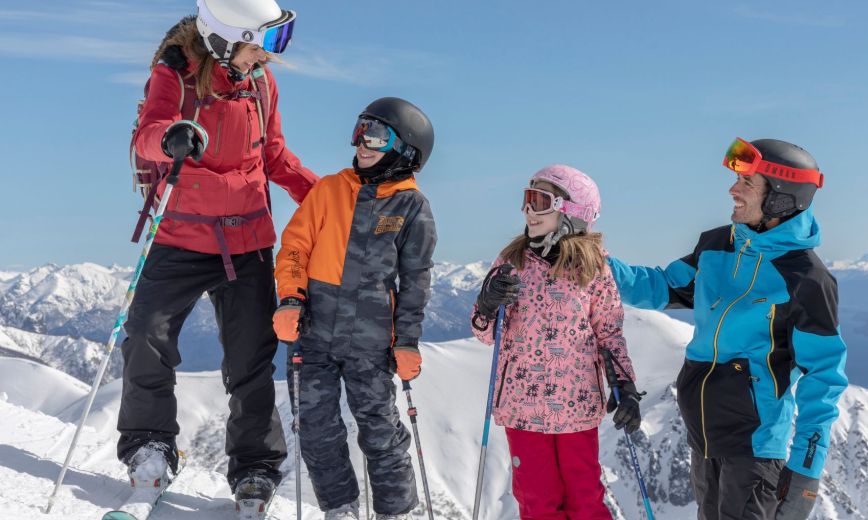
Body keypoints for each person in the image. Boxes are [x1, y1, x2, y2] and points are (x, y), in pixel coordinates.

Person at [116, 0, 317, 509]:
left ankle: (254, 468)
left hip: (246, 241)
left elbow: (273, 156)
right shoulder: (176, 74)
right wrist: (172, 137)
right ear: (226, 38)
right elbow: (147, 138)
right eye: (261, 43)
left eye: (275, 43)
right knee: (145, 336)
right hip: (179, 235)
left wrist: (324, 198)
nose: (267, 55)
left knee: (250, 358)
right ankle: (150, 446)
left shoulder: (262, 85)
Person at [606, 138, 847, 520]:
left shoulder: (805, 279)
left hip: (754, 452)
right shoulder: (717, 245)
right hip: (704, 440)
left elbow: (824, 377)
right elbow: (658, 287)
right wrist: (595, 263)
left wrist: (805, 473)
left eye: (747, 184)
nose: (732, 190)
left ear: (781, 199)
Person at [273, 97, 437, 520]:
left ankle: (394, 512)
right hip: (314, 331)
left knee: (380, 428)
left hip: (370, 340)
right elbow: (294, 247)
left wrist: (408, 342)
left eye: (377, 135)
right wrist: (292, 297)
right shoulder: (329, 190)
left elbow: (415, 280)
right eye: (360, 131)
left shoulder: (410, 207)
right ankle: (340, 508)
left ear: (405, 150)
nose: (363, 143)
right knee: (315, 427)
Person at [470, 164, 642, 519]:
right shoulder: (512, 262)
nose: (528, 210)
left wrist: (624, 383)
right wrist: (488, 305)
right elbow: (486, 334)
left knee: (585, 500)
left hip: (576, 407)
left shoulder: (594, 268)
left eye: (540, 200)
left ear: (572, 211)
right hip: (523, 408)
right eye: (526, 199)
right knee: (537, 502)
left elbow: (609, 331)